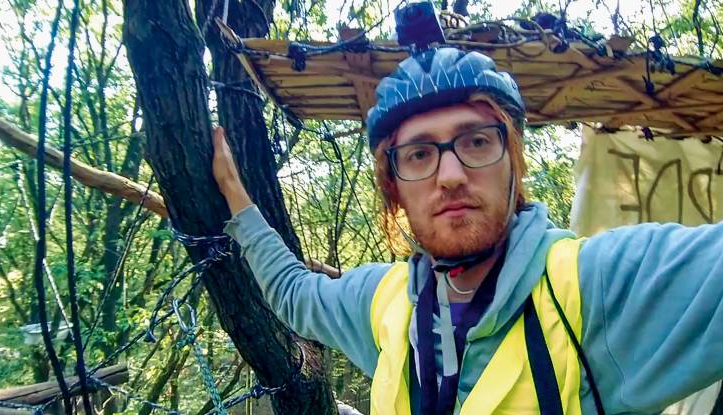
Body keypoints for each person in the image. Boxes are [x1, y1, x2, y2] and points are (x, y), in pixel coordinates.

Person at [211, 47, 723, 414]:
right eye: (419, 154)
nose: (450, 175)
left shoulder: (595, 286)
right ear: (394, 189)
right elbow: (295, 294)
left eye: (476, 142)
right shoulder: (385, 305)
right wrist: (238, 201)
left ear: (512, 162)